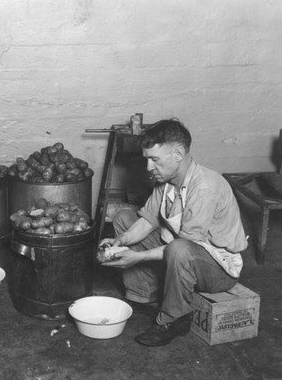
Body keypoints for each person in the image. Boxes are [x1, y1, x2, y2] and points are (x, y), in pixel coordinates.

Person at [98, 118, 248, 347]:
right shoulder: (166, 182)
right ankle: (145, 295)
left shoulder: (205, 187)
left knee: (179, 249)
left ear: (178, 153)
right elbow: (147, 221)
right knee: (124, 219)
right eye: (147, 159)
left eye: (154, 160)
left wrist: (136, 257)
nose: (149, 167)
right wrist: (120, 241)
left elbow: (184, 245)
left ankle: (174, 320)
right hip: (183, 253)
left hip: (218, 269)